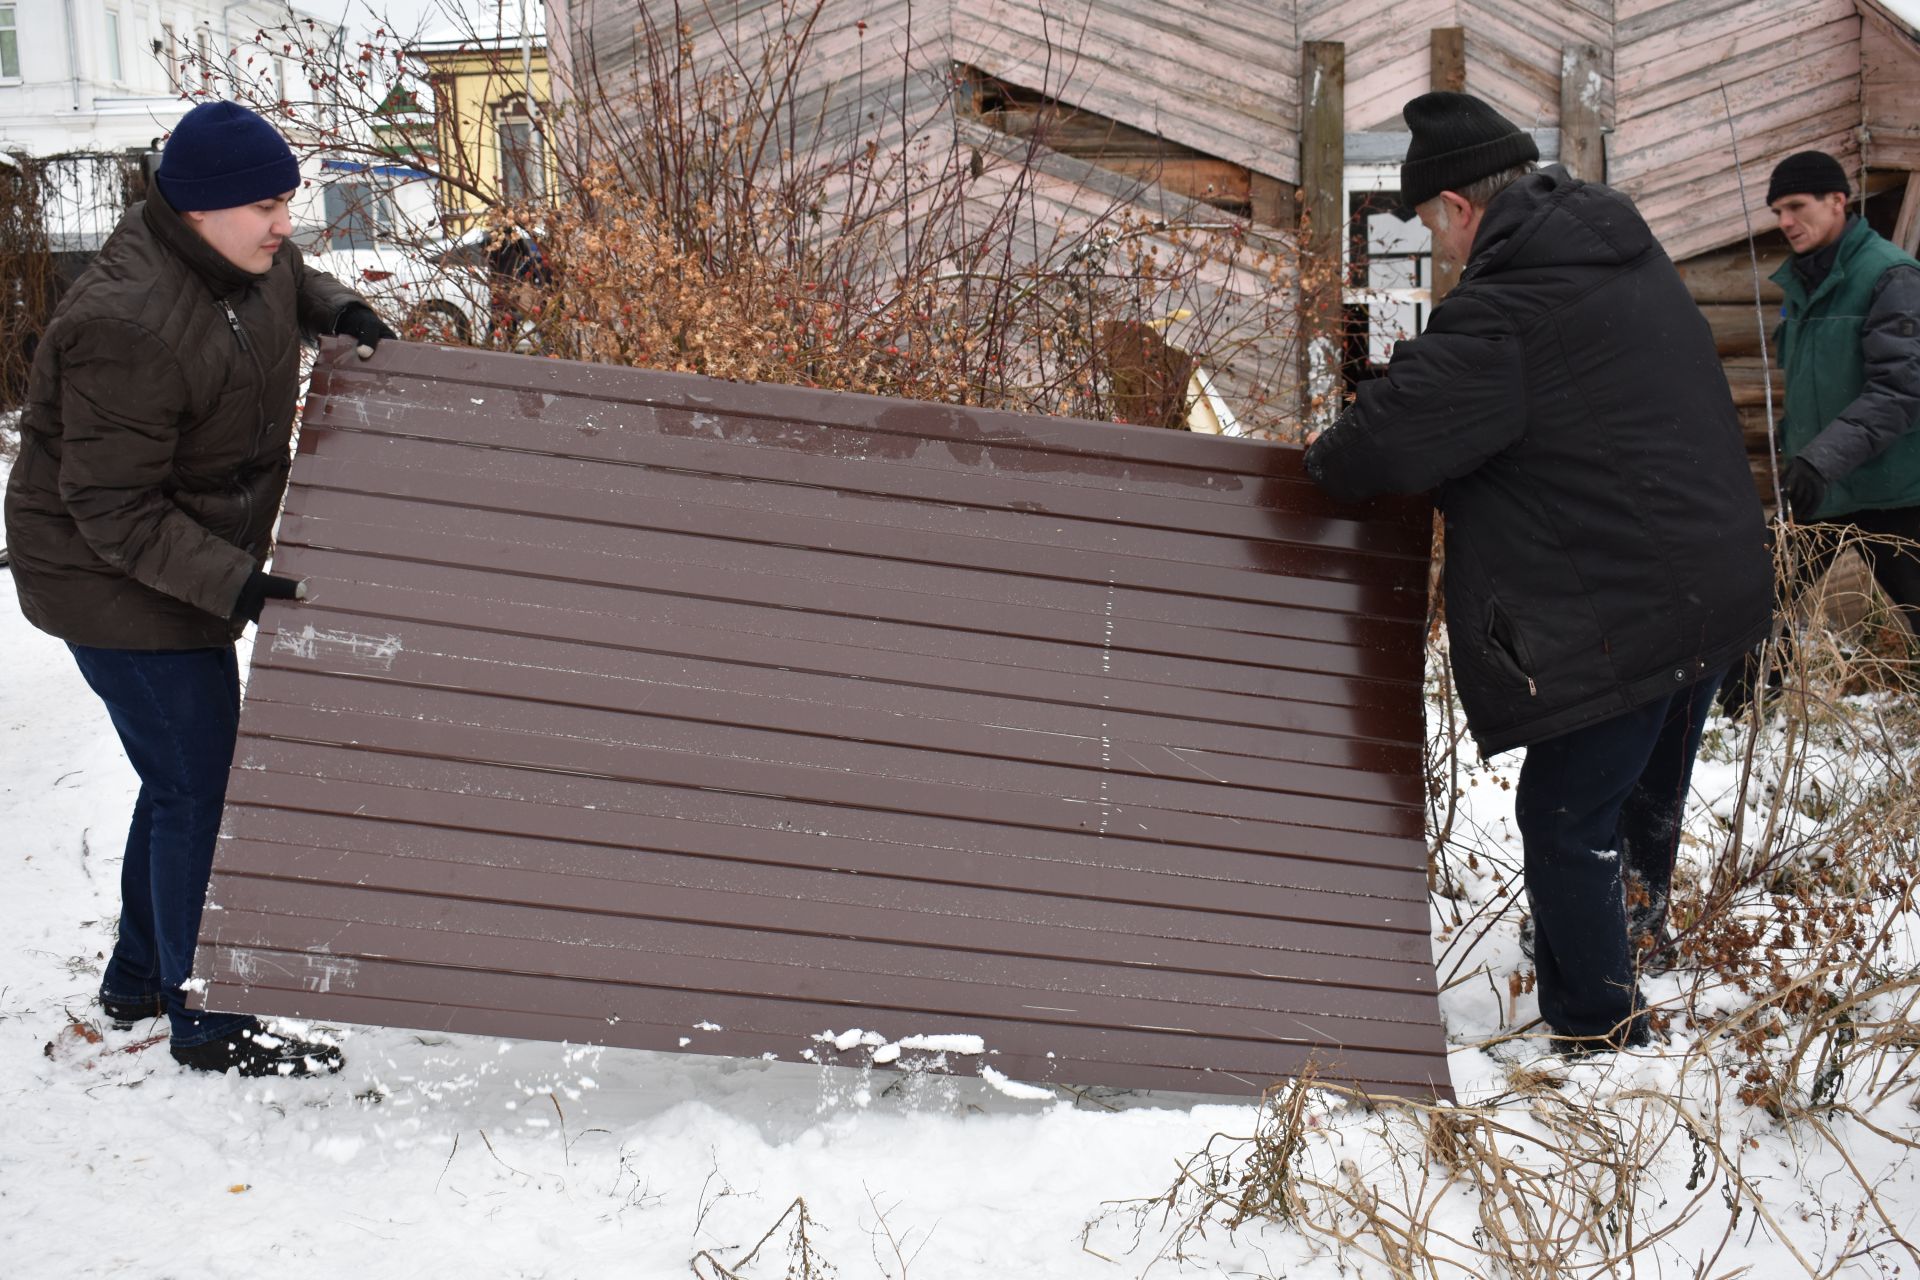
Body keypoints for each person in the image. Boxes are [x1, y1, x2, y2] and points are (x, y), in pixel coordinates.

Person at [1302, 92, 1773, 1054]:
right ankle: (1629, 939)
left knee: (1564, 814)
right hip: (1708, 588)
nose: (1437, 245)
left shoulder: (1509, 312)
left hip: (1628, 605)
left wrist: (1319, 451)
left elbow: (1368, 453)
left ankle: (1601, 1032)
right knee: (1640, 794)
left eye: (1433, 223)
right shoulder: (1620, 254)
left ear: (1462, 208)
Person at [4, 101, 395, 1077]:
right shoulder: (125, 323)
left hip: (174, 559)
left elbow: (294, 281)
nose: (284, 223)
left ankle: (140, 978)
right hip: (104, 576)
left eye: (286, 200)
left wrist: (343, 312)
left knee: (180, 775)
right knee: (200, 782)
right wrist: (242, 586)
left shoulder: (243, 262)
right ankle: (205, 1017)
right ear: (199, 210)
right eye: (267, 204)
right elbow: (112, 510)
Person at [1768, 152, 1920, 645]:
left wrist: (1819, 459)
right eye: (1777, 212)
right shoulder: (1803, 282)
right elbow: (1818, 385)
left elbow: (1900, 390)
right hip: (1820, 488)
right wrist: (1792, 442)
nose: (1786, 222)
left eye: (1795, 206)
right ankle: (1746, 711)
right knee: (1751, 599)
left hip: (1895, 492)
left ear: (1837, 201)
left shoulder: (1890, 275)